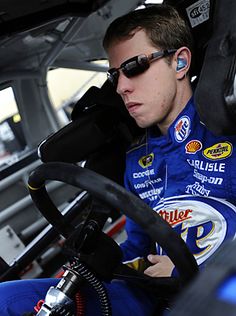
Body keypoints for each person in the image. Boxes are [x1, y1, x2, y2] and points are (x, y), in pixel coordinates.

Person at [1, 4, 236, 316]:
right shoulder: (137, 158)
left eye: (135, 66)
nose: (122, 87)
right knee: (6, 299)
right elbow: (138, 248)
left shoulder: (229, 129)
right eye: (115, 75)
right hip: (154, 293)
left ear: (180, 61)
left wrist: (201, 270)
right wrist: (104, 261)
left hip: (221, 291)